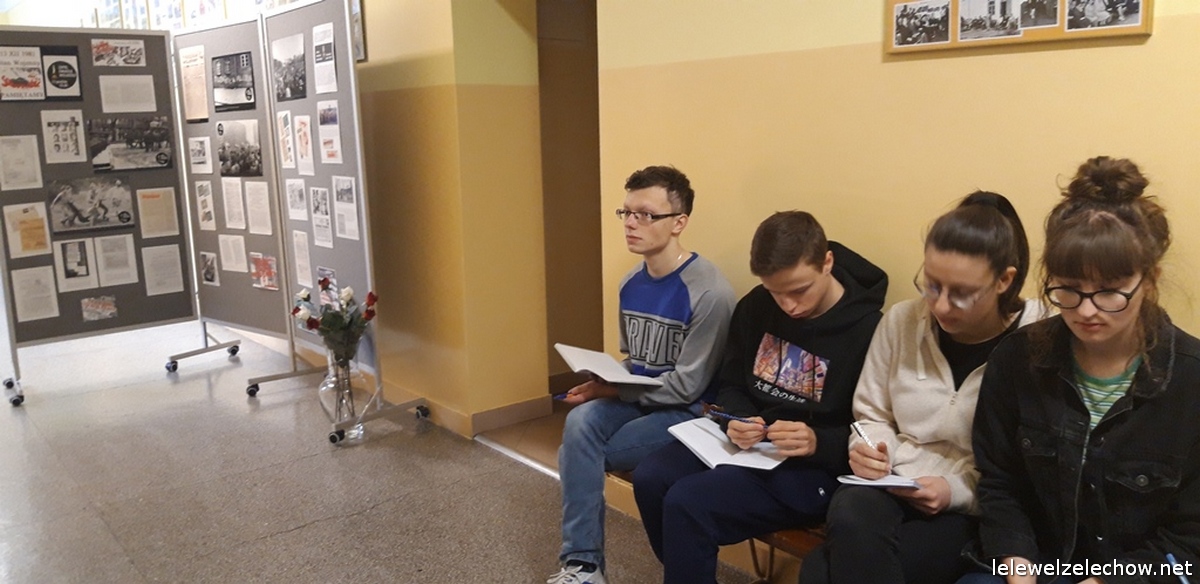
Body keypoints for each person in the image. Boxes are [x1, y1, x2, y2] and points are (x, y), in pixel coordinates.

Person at [958, 156, 1200, 583]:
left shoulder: (1190, 380)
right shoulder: (1016, 359)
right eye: (1069, 289)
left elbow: (1189, 542)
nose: (1086, 311)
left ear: (1149, 280)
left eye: (1109, 292)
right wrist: (1018, 569)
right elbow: (1001, 485)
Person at [799, 191, 1049, 584]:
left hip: (976, 504)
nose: (941, 306)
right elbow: (869, 415)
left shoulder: (1039, 340)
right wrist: (869, 450)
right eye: (931, 286)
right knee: (850, 511)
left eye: (961, 294)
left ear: (1004, 280)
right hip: (894, 479)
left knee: (819, 571)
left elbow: (1028, 466)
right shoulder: (903, 321)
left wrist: (954, 491)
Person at [632, 210, 887, 584]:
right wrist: (737, 417)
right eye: (775, 292)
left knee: (688, 503)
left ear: (827, 262)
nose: (789, 305)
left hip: (813, 467)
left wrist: (817, 441)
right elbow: (732, 383)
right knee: (650, 478)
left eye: (799, 290)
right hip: (750, 444)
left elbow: (872, 428)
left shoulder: (869, 330)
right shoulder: (756, 306)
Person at [547, 165, 736, 584]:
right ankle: (582, 565)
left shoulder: (711, 293)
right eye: (627, 213)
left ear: (678, 223)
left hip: (691, 412)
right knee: (580, 420)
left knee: (575, 454)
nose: (631, 224)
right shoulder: (630, 282)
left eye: (646, 215)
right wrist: (603, 382)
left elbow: (688, 387)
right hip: (640, 398)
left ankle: (585, 564)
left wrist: (612, 391)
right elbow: (635, 360)